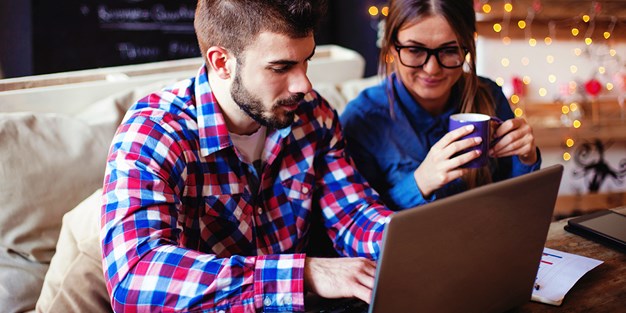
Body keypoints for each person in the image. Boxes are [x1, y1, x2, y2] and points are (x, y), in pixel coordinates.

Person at [100, 1, 393, 312]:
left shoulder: (312, 115)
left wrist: (410, 246)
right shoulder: (154, 133)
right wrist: (303, 274)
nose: (304, 84)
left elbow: (352, 213)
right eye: (281, 67)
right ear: (222, 62)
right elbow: (133, 279)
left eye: (306, 60)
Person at [340, 0, 541, 211]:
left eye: (450, 50)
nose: (432, 69)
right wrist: (420, 183)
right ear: (391, 46)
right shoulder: (362, 119)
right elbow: (356, 222)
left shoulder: (488, 94)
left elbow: (520, 207)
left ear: (467, 47)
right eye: (415, 50)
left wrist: (526, 159)